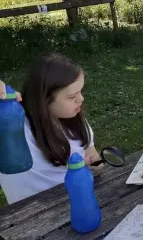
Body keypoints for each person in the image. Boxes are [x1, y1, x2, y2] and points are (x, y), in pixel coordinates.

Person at [0, 54, 102, 204]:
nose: (81, 99)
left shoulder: (76, 122)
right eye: (72, 96)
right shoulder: (13, 127)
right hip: (34, 217)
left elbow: (92, 156)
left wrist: (94, 165)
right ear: (45, 99)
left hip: (81, 203)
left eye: (81, 91)